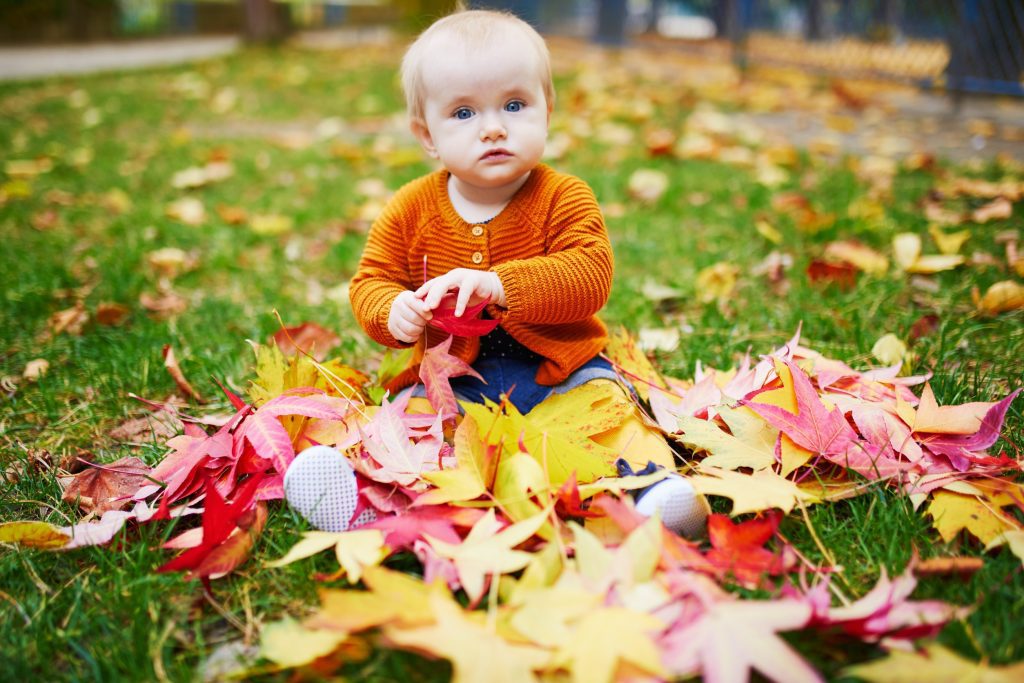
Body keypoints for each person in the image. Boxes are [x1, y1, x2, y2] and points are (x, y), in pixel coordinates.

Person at [285, 9, 708, 538]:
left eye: (514, 105)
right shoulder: (410, 209)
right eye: (463, 113)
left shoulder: (563, 197)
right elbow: (371, 280)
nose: (493, 127)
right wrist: (392, 312)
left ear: (546, 111)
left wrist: (502, 284)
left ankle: (650, 493)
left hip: (561, 373)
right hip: (451, 384)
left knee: (609, 413)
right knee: (410, 426)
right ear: (428, 135)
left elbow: (590, 275)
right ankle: (372, 499)